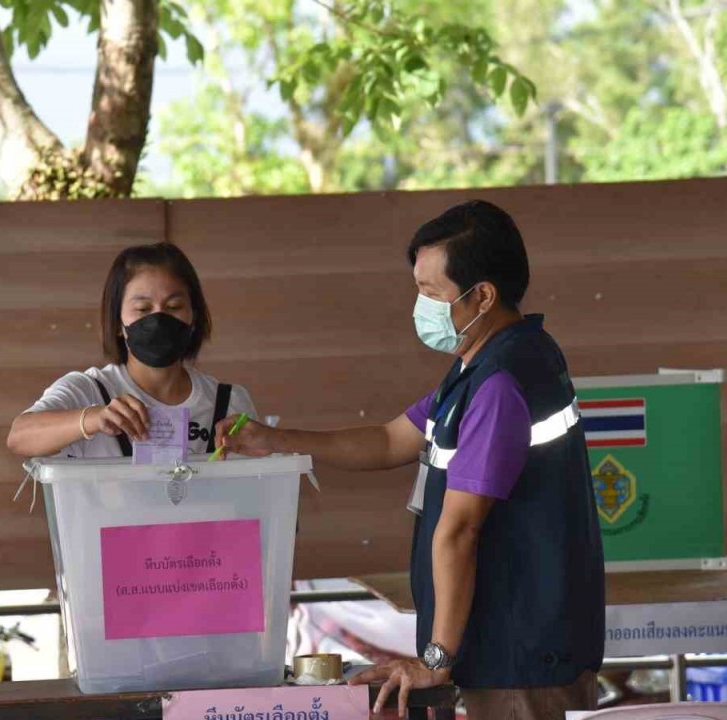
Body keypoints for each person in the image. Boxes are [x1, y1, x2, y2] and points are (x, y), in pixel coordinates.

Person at [216, 201, 605, 720]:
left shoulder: (501, 384)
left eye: (431, 292)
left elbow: (458, 532)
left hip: (519, 662)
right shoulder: (483, 366)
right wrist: (274, 440)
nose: (420, 305)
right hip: (508, 652)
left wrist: (435, 660)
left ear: (483, 295)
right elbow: (387, 439)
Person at [7, 242, 257, 460]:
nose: (159, 319)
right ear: (117, 322)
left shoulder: (228, 402)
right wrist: (94, 418)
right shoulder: (88, 390)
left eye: (174, 306)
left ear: (194, 317)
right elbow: (19, 437)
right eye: (143, 309)